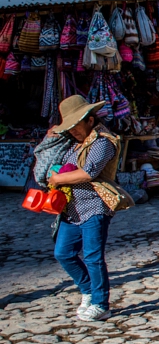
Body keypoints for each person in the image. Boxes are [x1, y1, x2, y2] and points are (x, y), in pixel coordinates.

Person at [44, 96, 122, 322]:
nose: (72, 131)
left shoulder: (103, 142)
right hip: (72, 208)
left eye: (75, 126)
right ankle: (88, 290)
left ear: (89, 120)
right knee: (63, 253)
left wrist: (58, 178)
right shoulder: (75, 144)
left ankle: (101, 303)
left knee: (93, 257)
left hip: (95, 206)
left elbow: (89, 172)